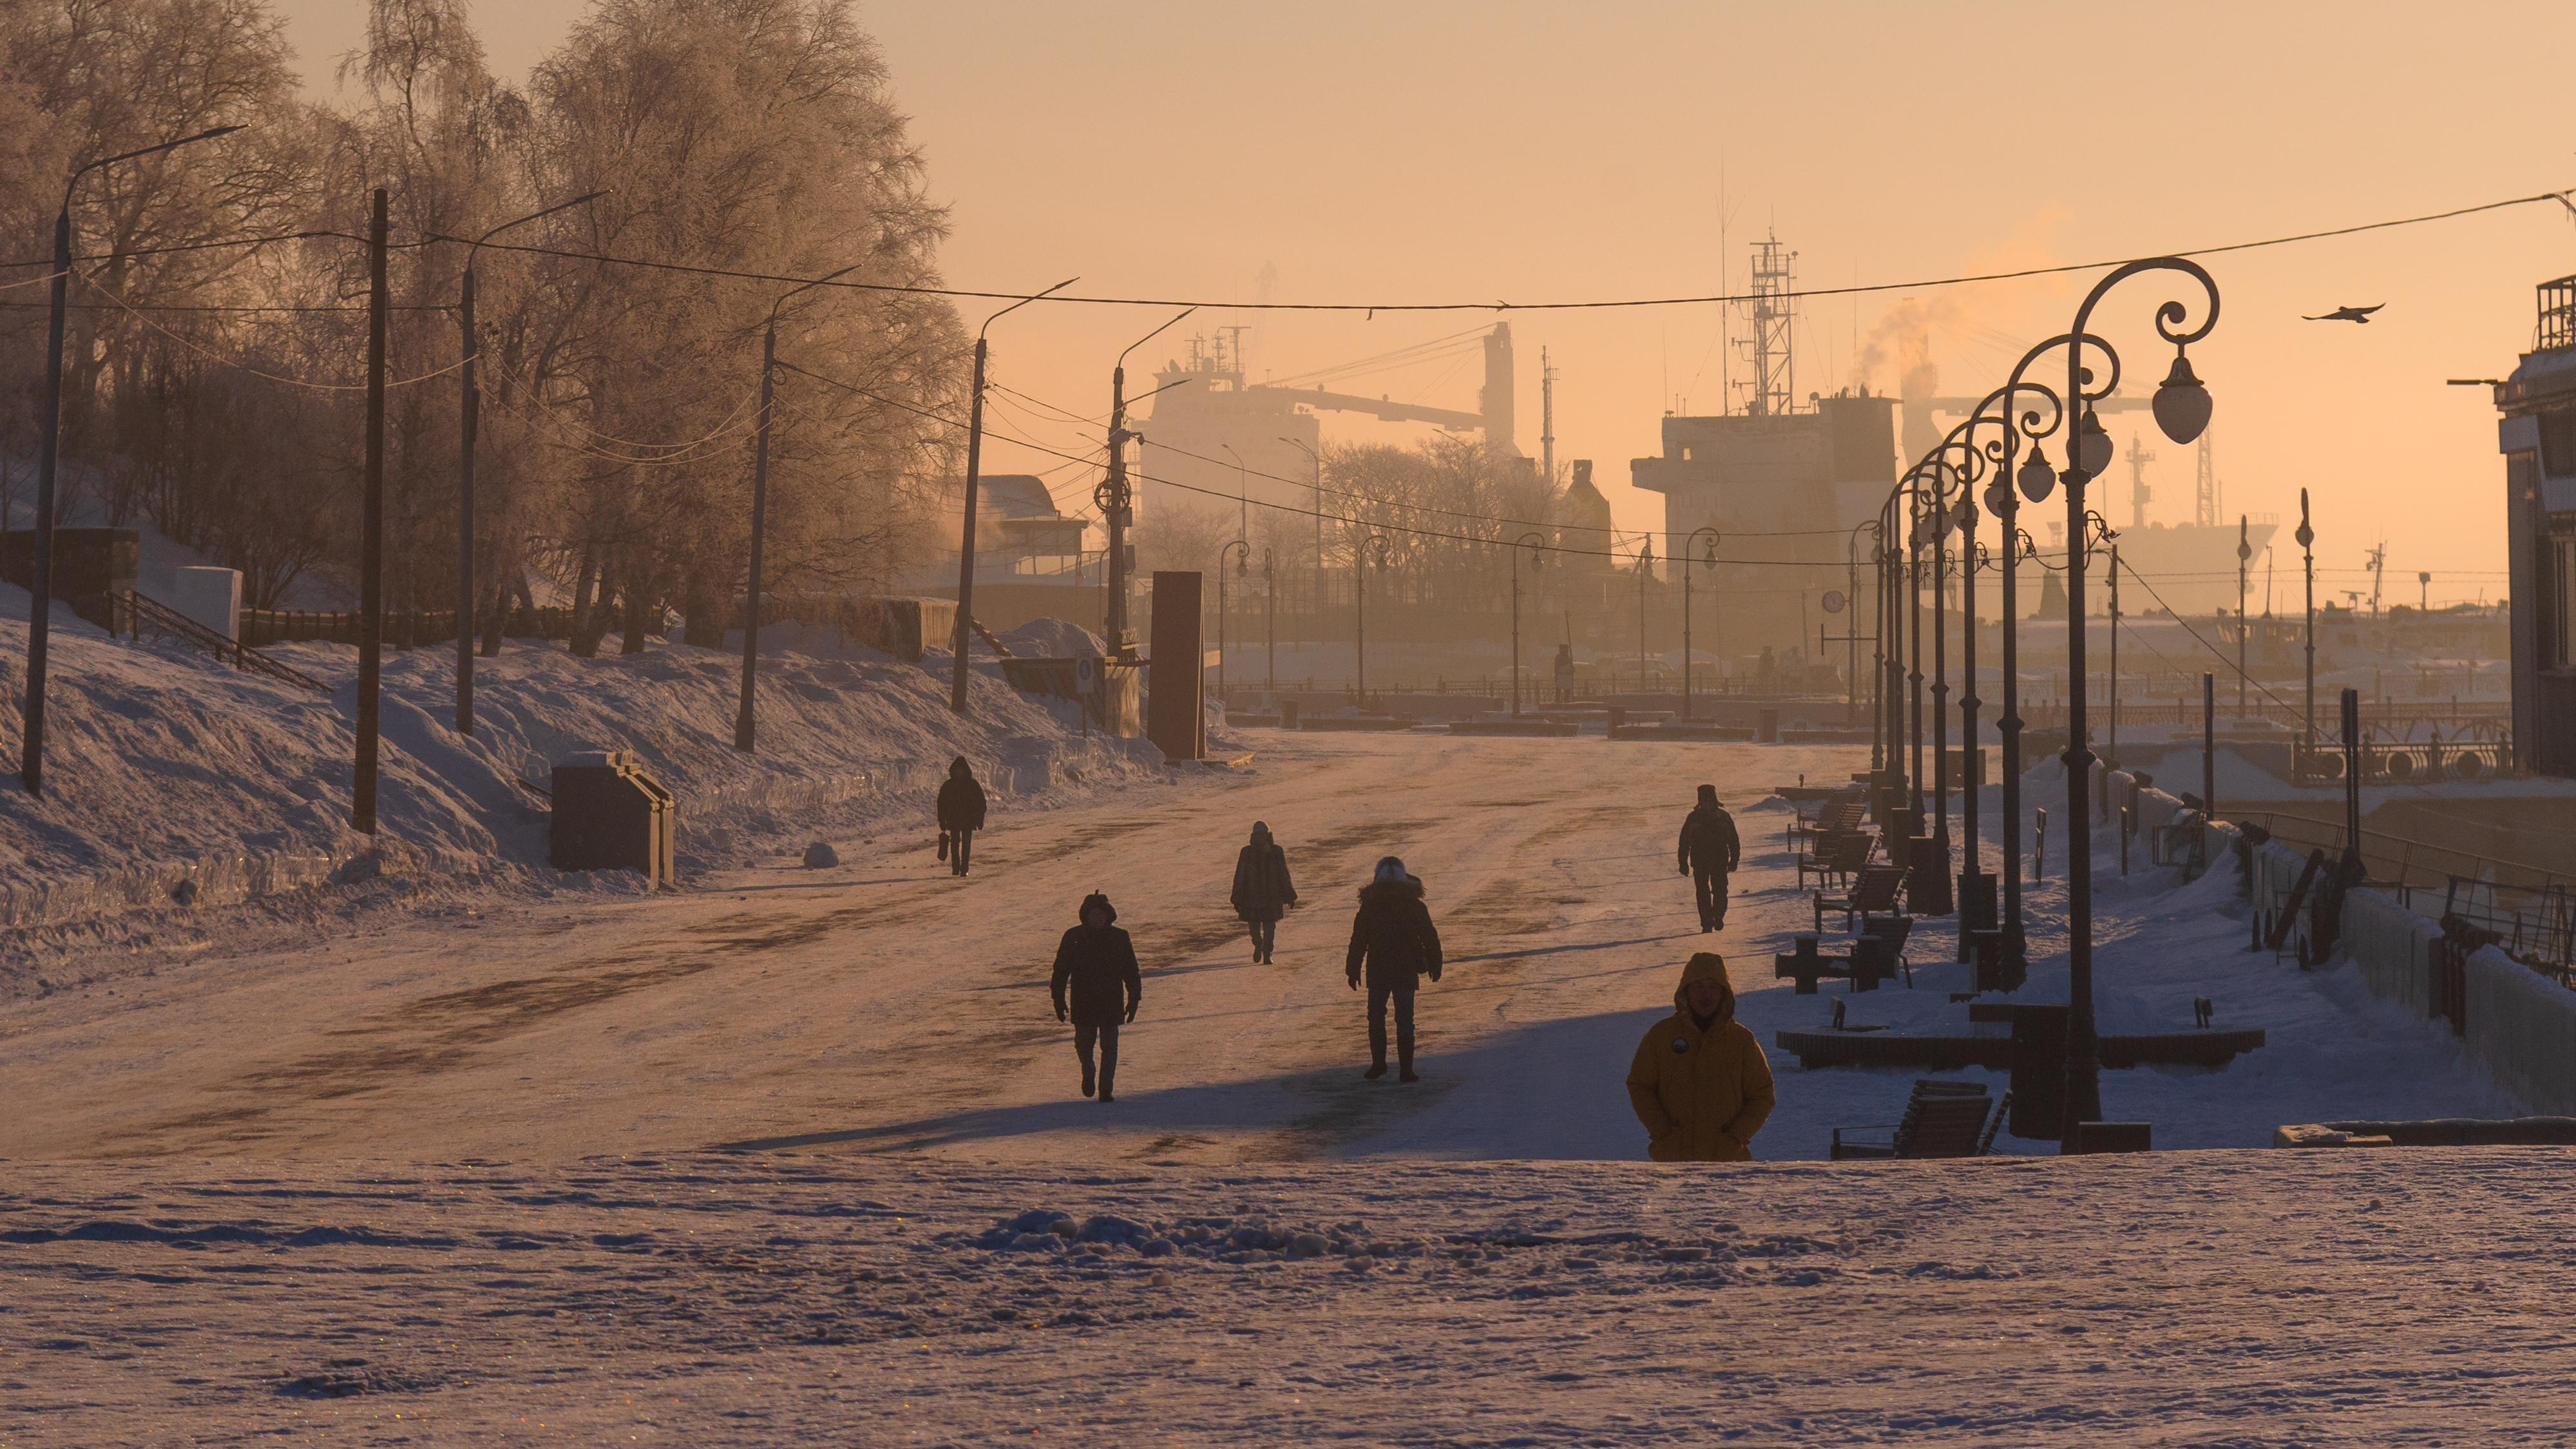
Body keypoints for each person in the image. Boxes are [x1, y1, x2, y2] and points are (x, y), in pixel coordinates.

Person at [1625, 952, 1774, 1162]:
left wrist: (1735, 1137)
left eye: (1713, 987)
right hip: (1672, 1161)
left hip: (1728, 1165)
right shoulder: (1661, 1035)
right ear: (1686, 991)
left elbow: (1762, 1095)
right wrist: (1664, 1133)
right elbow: (1640, 1085)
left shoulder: (1742, 1040)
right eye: (1699, 987)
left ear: (1724, 993)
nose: (1706, 995)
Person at [1346, 856, 1442, 1082]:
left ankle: (1381, 1065)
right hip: (1403, 969)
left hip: (1381, 969)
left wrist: (1353, 969)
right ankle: (1404, 1069)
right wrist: (1435, 962)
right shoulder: (1413, 906)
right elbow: (1430, 937)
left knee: (1377, 1017)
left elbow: (1359, 940)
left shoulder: (1370, 906)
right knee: (1404, 1019)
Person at [1051, 892, 1141, 1102]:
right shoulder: (1073, 937)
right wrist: (1058, 999)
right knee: (1083, 1045)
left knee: (1110, 1046)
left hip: (1111, 1001)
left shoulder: (1119, 938)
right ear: (1085, 916)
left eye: (1101, 914)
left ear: (1108, 916)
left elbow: (1131, 971)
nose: (1098, 919)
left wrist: (1134, 999)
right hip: (1084, 1001)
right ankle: (1088, 1070)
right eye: (1093, 915)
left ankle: (1106, 1088)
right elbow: (1061, 971)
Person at [1230, 821, 1298, 963]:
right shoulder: (1247, 852)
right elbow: (1240, 875)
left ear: (1268, 835)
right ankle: (1258, 944)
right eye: (1258, 835)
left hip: (1271, 898)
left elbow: (1283, 874)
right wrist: (1237, 898)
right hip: (1251, 898)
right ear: (1254, 836)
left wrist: (1290, 896)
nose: (1261, 838)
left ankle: (1267, 953)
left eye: (1263, 835)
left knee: (1270, 929)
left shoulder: (1276, 851)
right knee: (1254, 930)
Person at [1677, 783, 1741, 932]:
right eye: (1703, 800)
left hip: (1719, 860)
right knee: (1702, 892)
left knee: (1720, 890)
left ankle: (1718, 916)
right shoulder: (1693, 818)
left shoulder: (1723, 817)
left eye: (1709, 800)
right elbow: (1684, 841)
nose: (1706, 803)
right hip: (1700, 861)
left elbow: (1733, 840)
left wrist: (1734, 859)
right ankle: (1706, 922)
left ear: (1714, 800)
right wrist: (1683, 862)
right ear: (1700, 801)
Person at [936, 757, 986, 877]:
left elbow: (980, 803)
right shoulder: (948, 785)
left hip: (968, 819)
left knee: (966, 844)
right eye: (958, 770)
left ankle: (964, 868)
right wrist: (942, 820)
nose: (959, 772)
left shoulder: (972, 785)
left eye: (961, 770)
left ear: (965, 770)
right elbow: (941, 804)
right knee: (954, 844)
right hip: (953, 819)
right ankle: (955, 867)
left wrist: (980, 819)